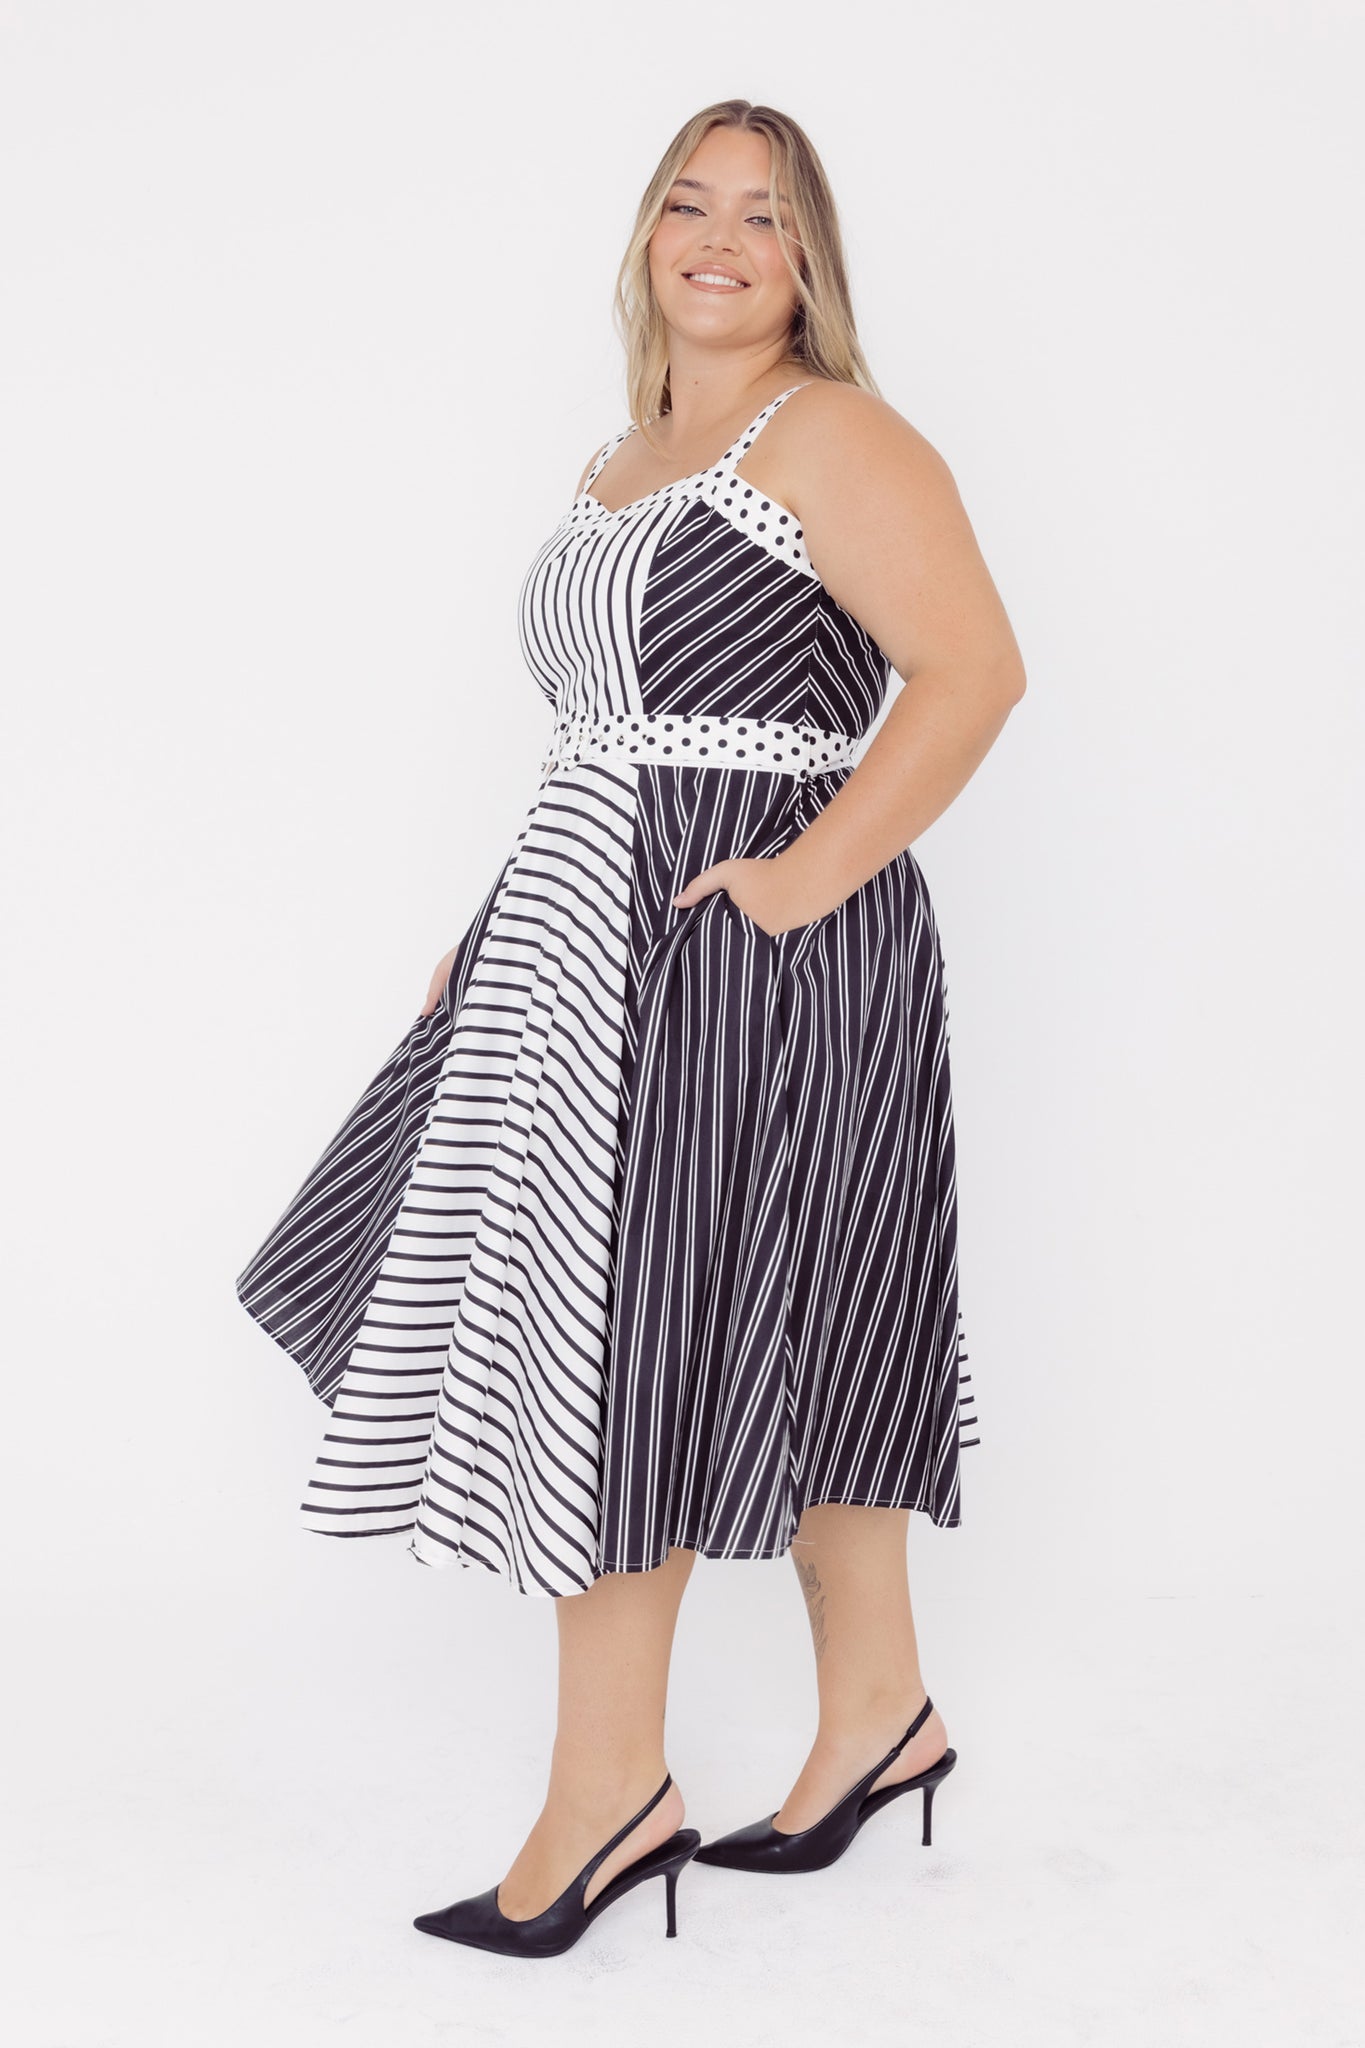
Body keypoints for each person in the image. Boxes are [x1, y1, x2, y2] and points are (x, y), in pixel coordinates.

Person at [235, 98, 1026, 1959]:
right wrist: (488, 922)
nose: (722, 236)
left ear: (810, 260)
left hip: (749, 952)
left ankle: (609, 1799)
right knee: (786, 1316)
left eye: (767, 213)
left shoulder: (830, 433)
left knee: (636, 1349)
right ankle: (878, 1722)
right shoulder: (626, 452)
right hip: (591, 937)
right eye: (691, 201)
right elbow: (604, 731)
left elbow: (973, 670)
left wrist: (795, 882)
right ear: (646, 237)